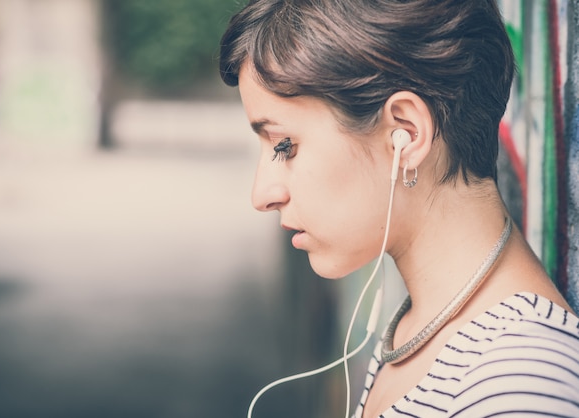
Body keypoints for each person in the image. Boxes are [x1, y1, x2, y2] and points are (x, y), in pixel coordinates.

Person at [219, 0, 579, 417]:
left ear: (405, 135)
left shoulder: (518, 386)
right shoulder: (420, 329)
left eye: (286, 146)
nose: (262, 194)